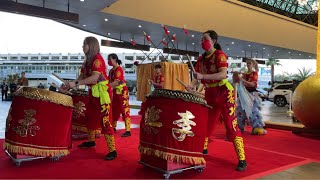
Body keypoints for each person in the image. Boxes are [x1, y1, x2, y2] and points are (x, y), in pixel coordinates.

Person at [186, 30, 247, 171]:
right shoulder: (201, 60)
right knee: (207, 124)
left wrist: (202, 77)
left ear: (213, 40)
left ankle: (242, 158)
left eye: (205, 39)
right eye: (201, 39)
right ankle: (204, 149)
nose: (202, 42)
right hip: (210, 93)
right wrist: (190, 86)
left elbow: (223, 74)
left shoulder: (220, 55)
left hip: (224, 93)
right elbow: (196, 77)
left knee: (231, 125)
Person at [59, 36, 117, 160]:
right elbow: (82, 76)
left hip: (102, 94)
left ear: (91, 45)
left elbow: (95, 78)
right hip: (93, 93)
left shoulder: (97, 59)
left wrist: (75, 84)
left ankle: (112, 150)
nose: (82, 47)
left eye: (84, 44)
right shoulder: (87, 61)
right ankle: (91, 141)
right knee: (90, 116)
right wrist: (68, 85)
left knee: (105, 121)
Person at [234, 59, 266, 135]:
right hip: (244, 95)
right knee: (241, 111)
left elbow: (253, 84)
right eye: (247, 63)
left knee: (254, 111)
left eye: (249, 63)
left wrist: (243, 81)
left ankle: (257, 127)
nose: (248, 64)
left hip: (252, 95)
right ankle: (239, 127)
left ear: (253, 65)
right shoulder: (244, 74)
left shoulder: (254, 74)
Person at [108, 53, 131, 137]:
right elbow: (108, 81)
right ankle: (113, 127)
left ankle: (128, 130)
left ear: (114, 59)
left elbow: (116, 82)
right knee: (114, 109)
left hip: (122, 92)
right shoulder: (111, 71)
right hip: (115, 92)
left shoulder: (119, 69)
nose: (108, 61)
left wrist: (107, 87)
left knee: (124, 109)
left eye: (109, 59)